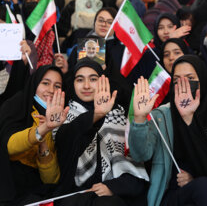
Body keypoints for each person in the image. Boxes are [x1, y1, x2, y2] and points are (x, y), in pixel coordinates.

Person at [129, 55, 207, 206]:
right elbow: (140, 154)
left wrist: (194, 179)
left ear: (203, 80)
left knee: (205, 188)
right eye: (177, 81)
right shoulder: (161, 116)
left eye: (190, 78)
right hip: (170, 196)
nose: (183, 85)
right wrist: (140, 118)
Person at [54, 58, 148, 205]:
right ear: (73, 83)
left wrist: (111, 188)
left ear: (104, 83)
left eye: (93, 79)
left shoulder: (118, 115)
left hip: (112, 196)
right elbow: (64, 149)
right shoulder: (63, 115)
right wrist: (96, 115)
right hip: (74, 194)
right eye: (80, 80)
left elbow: (134, 171)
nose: (86, 86)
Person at [0, 65, 69, 205]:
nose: (51, 90)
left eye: (57, 86)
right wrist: (41, 130)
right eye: (45, 83)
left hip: (33, 192)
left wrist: (44, 140)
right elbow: (8, 147)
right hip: (6, 185)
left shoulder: (62, 119)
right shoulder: (17, 103)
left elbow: (51, 180)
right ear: (34, 83)